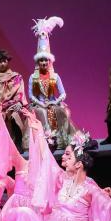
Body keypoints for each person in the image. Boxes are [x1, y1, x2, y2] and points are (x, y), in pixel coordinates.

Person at [27, 17, 76, 149]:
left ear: (49, 62)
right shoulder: (33, 77)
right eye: (41, 60)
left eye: (46, 60)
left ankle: (59, 140)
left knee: (59, 111)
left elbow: (63, 93)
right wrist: (41, 103)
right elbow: (31, 95)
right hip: (39, 103)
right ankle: (45, 140)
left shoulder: (55, 76)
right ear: (38, 62)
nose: (44, 63)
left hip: (53, 102)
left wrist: (54, 102)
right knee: (42, 112)